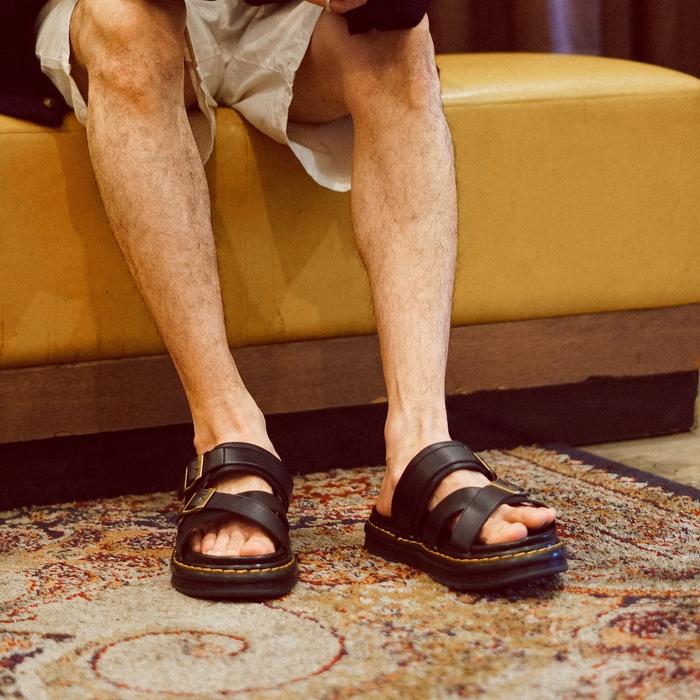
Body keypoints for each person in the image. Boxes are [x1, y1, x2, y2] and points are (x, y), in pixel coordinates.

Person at [35, 0, 565, 600]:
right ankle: (225, 429)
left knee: (396, 35)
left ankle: (419, 443)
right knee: (125, 22)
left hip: (273, 15)